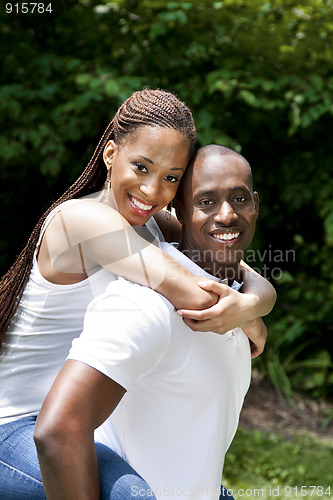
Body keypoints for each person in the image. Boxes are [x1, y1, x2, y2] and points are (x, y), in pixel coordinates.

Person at [0, 89, 275, 498]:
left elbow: (239, 266)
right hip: (16, 426)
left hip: (80, 416)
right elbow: (195, 292)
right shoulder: (80, 220)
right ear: (111, 154)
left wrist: (253, 303)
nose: (152, 190)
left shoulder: (149, 221)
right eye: (141, 166)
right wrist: (249, 318)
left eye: (171, 178)